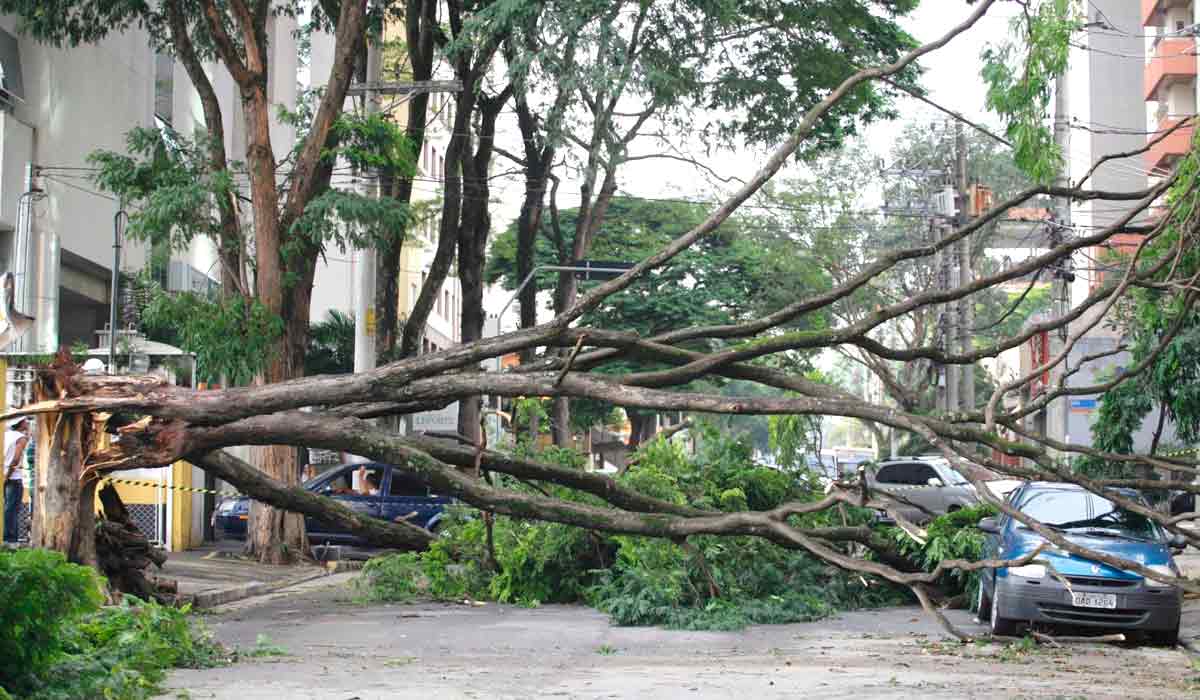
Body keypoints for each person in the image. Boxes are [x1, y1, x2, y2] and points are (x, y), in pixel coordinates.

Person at [3, 417, 29, 543]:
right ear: (20, 423)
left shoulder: (5, 435)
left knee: (5, 508)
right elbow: (15, 459)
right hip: (13, 477)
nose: (27, 422)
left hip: (3, 475)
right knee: (12, 510)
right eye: (25, 421)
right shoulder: (21, 438)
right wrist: (8, 475)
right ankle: (10, 540)